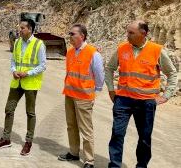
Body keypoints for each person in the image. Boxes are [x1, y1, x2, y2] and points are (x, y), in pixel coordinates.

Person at [106, 20, 178, 168]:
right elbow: (109, 68)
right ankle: (114, 165)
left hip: (146, 102)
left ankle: (141, 166)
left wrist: (166, 95)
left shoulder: (157, 50)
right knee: (117, 134)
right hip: (123, 100)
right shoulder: (122, 48)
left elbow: (172, 73)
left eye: (131, 33)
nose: (127, 35)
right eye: (127, 32)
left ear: (143, 33)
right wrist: (111, 90)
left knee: (144, 138)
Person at [0, 19, 46, 156]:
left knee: (30, 113)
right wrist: (14, 70)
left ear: (30, 29)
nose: (19, 30)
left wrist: (28, 73)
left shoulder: (39, 44)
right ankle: (6, 138)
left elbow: (43, 65)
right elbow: (13, 61)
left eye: (22, 28)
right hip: (17, 82)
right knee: (9, 109)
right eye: (19, 28)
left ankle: (28, 141)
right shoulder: (17, 42)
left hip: (31, 83)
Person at [58, 24, 105, 168]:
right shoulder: (70, 52)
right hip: (70, 95)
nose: (69, 36)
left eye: (72, 34)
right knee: (71, 126)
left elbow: (99, 75)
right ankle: (73, 152)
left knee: (86, 129)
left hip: (84, 97)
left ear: (82, 36)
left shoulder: (93, 53)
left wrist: (95, 90)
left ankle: (89, 160)